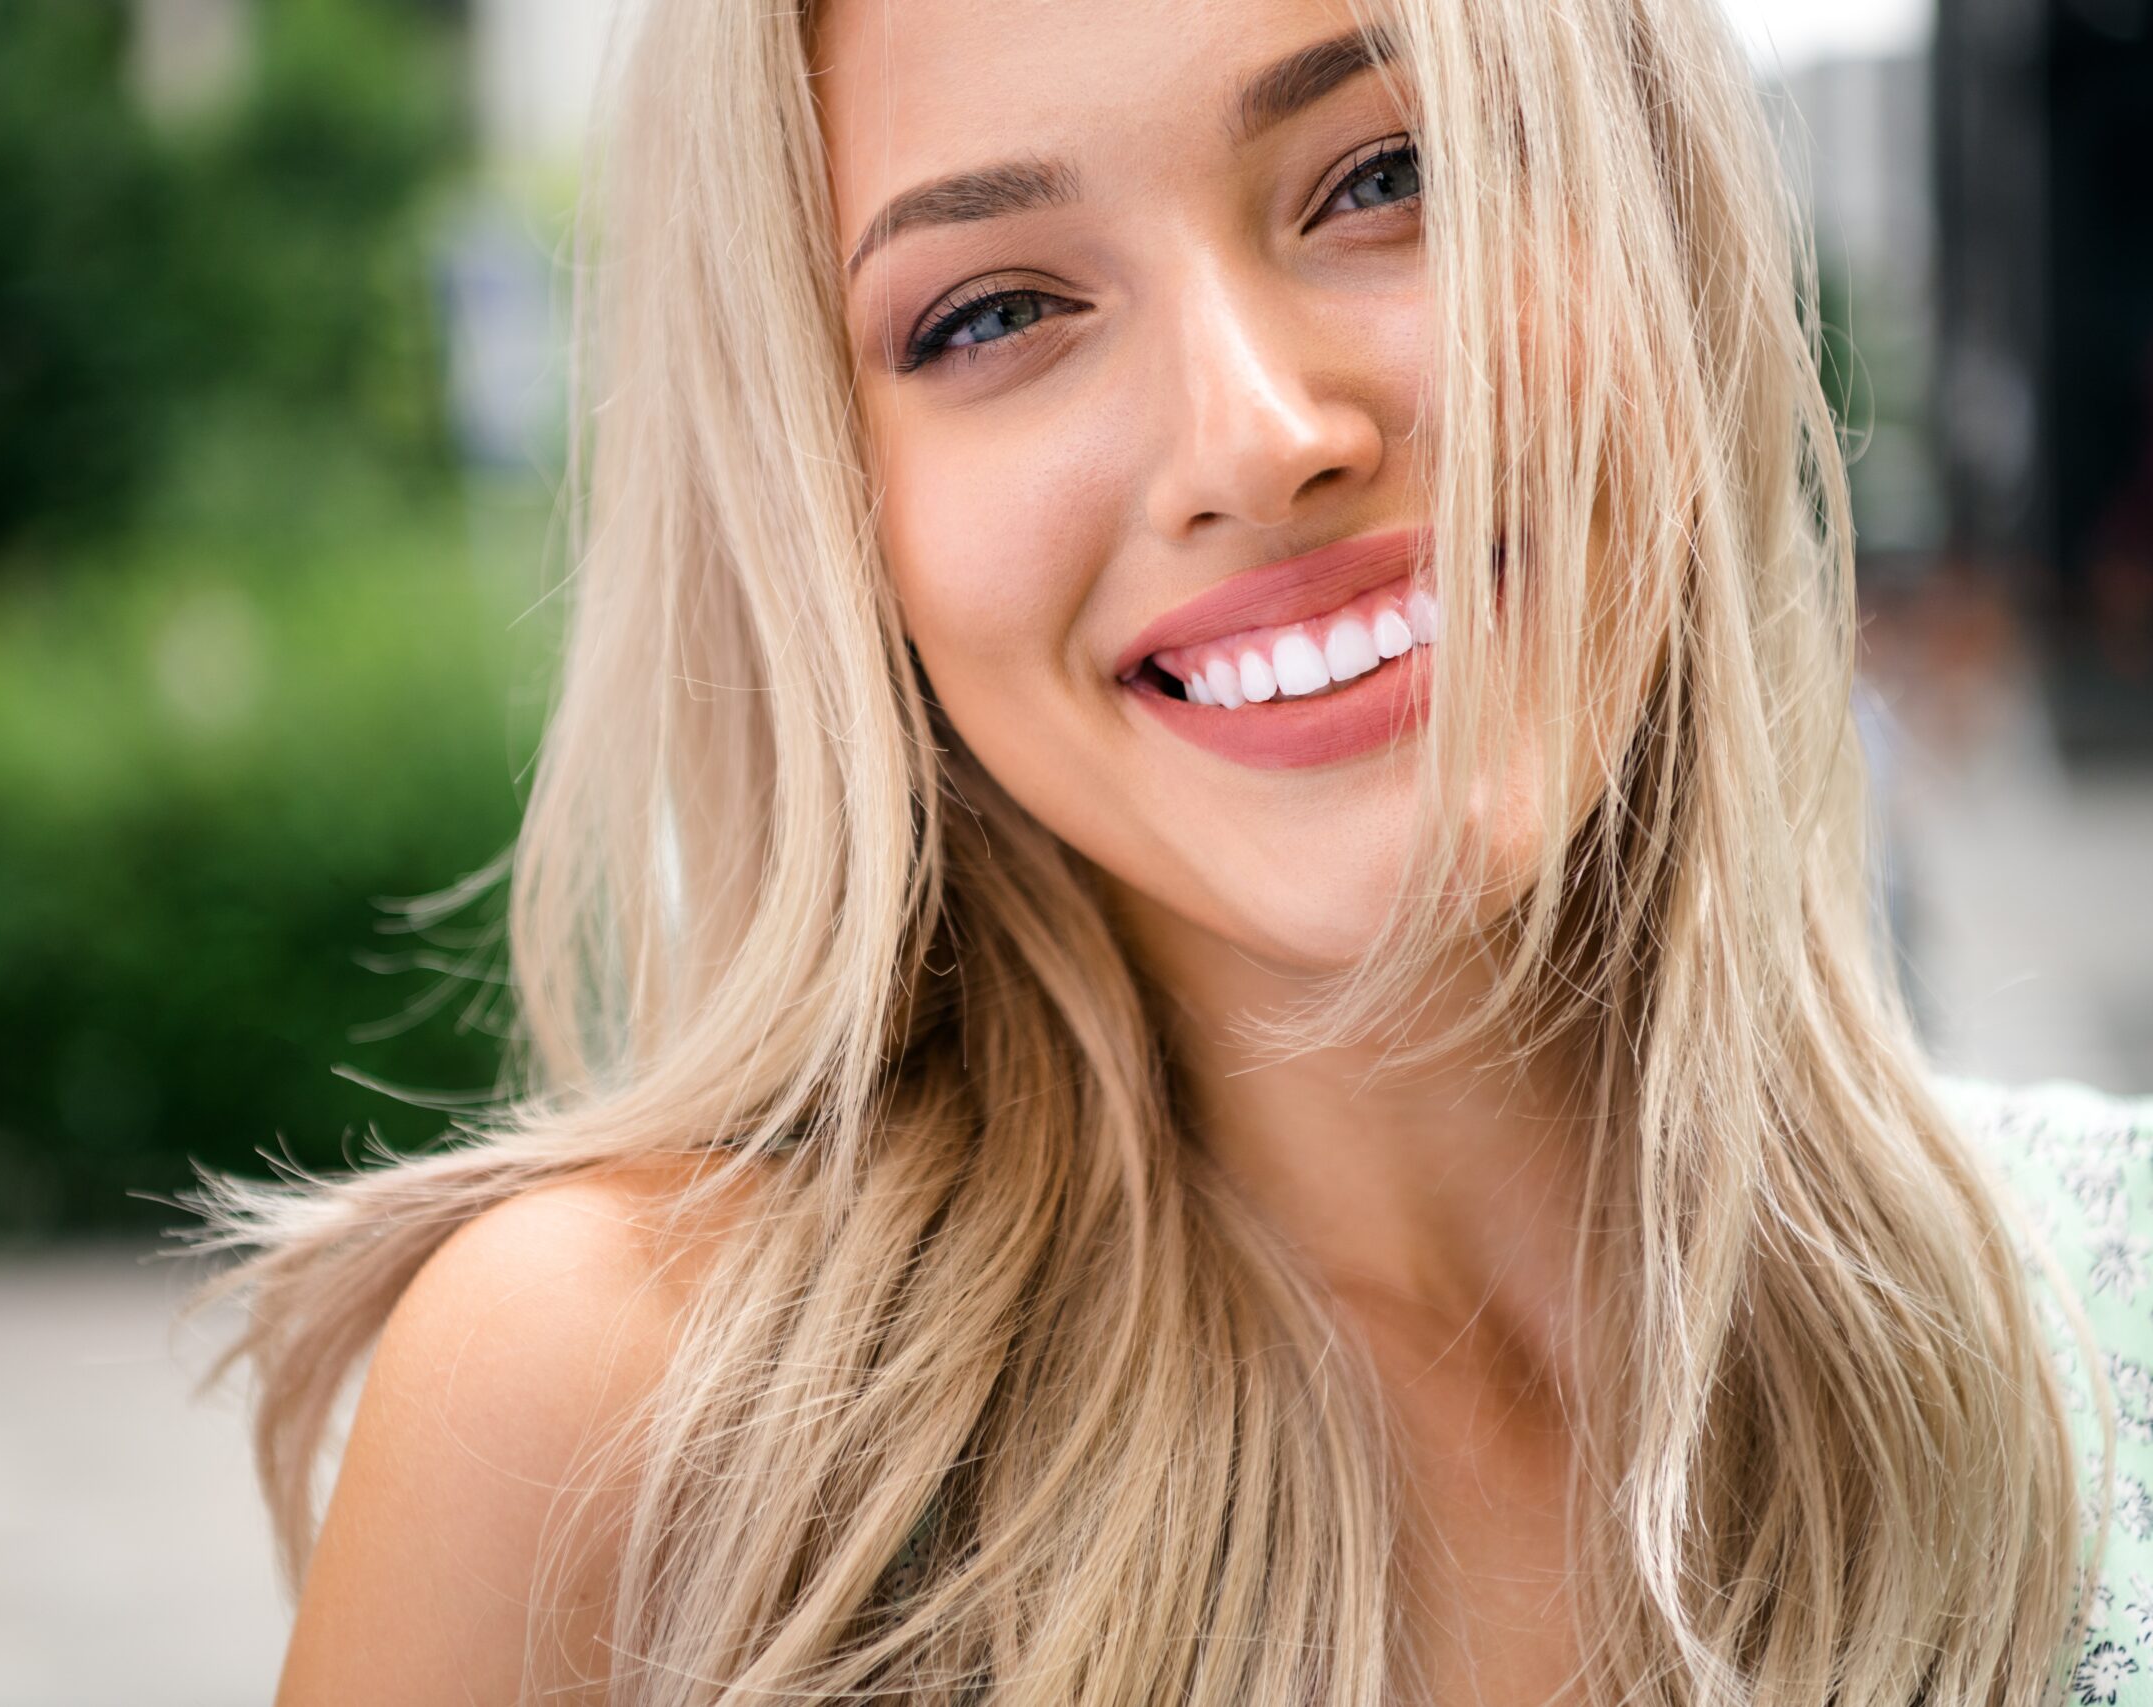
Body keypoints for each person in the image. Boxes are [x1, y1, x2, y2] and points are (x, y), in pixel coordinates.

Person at [190, 0, 2153, 1700]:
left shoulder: (2111, 1287)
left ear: (1655, 195)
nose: (1255, 433)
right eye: (991, 312)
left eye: (1383, 173)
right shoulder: (619, 1430)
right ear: (824, 503)